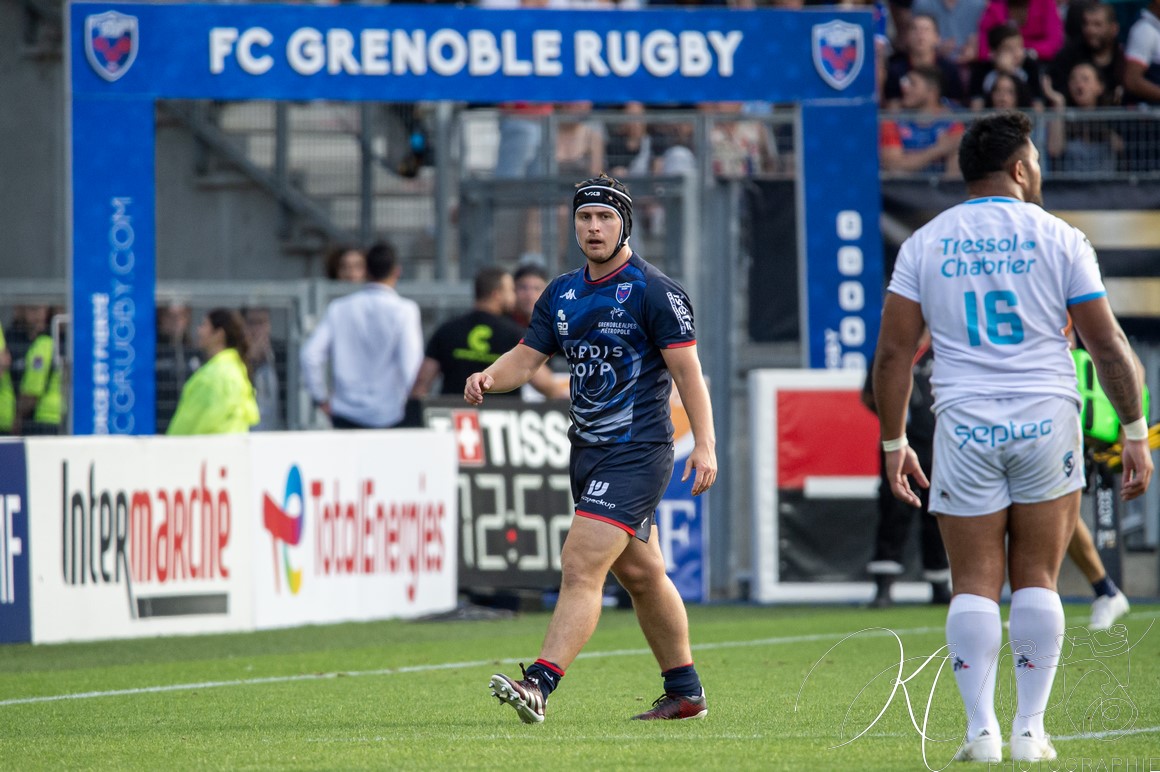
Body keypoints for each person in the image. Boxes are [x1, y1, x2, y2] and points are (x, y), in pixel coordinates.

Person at [872, 111, 1153, 763]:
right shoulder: (1060, 238)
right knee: (1037, 579)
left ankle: (981, 734)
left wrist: (893, 443)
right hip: (1045, 421)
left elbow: (893, 355)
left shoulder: (926, 242)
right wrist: (1134, 430)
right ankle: (1030, 730)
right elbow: (1107, 345)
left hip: (964, 423)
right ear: (1022, 168)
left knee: (972, 581)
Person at [470, 174, 717, 723]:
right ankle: (686, 693)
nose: (594, 226)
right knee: (643, 575)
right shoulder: (561, 292)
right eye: (585, 217)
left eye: (605, 217)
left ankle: (539, 684)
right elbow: (527, 358)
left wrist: (705, 444)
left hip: (638, 450)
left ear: (624, 224)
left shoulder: (655, 290)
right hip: (586, 452)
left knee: (580, 564)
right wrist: (489, 376)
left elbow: (689, 374)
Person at [862, 339, 951, 607]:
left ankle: (939, 586)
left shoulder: (945, 348)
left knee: (938, 513)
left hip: (940, 445)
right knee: (894, 512)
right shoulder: (893, 349)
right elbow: (869, 395)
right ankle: (884, 588)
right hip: (901, 446)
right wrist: (896, 425)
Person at [301, 240, 424, 430]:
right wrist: (415, 405)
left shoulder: (338, 308)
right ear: (397, 271)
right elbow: (411, 366)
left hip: (345, 413)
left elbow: (310, 355)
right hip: (389, 414)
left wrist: (321, 399)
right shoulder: (405, 310)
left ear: (366, 271)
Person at [410, 267, 561, 399]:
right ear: (497, 294)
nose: (514, 297)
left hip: (455, 418)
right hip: (499, 420)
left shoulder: (447, 329)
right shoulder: (514, 333)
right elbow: (544, 383)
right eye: (510, 291)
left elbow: (422, 382)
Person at [167, 308, 260, 435]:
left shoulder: (216, 375)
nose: (199, 330)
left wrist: (170, 447)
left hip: (204, 451)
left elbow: (190, 423)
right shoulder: (237, 369)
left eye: (204, 325)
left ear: (219, 334)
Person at [879, 66, 966, 176]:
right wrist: (939, 149)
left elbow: (952, 179)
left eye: (912, 83)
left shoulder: (953, 123)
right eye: (905, 82)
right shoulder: (891, 122)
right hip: (900, 191)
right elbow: (894, 167)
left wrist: (911, 161)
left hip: (938, 192)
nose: (905, 88)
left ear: (932, 91)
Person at [884, 14, 968, 108]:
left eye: (926, 30)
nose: (920, 34)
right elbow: (892, 110)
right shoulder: (895, 69)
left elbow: (955, 109)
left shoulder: (949, 69)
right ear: (906, 37)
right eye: (914, 29)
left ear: (937, 38)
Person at [1048, 2, 1125, 101]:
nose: (1090, 30)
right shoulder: (1069, 55)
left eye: (1097, 24)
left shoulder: (1123, 58)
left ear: (1114, 29)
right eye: (1086, 23)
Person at [16, 306, 62, 436]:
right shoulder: (63, 343)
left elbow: (33, 388)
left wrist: (18, 416)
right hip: (62, 415)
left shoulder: (43, 344)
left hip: (44, 417)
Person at [155, 301, 199, 434]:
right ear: (161, 319)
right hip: (160, 422)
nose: (176, 322)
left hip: (188, 424)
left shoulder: (194, 353)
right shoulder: (154, 352)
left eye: (181, 316)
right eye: (170, 317)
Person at [976, 0, 1065, 64]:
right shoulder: (995, 6)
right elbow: (984, 50)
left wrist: (1024, 51)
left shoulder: (1045, 3)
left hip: (1039, 62)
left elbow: (1054, 43)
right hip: (1001, 63)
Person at [243, 306, 285, 431]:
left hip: (278, 435)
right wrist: (250, 360)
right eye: (252, 323)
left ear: (269, 325)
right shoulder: (236, 355)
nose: (257, 329)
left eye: (262, 323)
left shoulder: (283, 353)